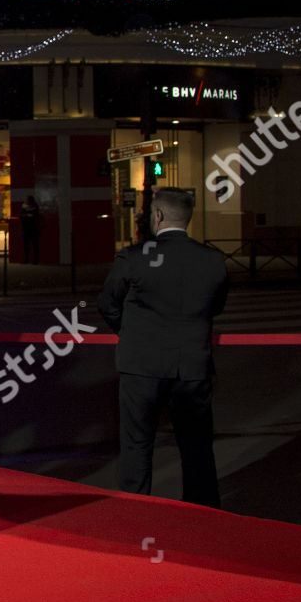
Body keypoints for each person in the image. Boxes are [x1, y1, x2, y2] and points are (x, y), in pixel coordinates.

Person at [97, 188, 228, 508]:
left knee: (137, 444)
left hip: (141, 364)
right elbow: (217, 306)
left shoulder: (135, 256)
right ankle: (202, 512)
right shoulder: (212, 260)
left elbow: (107, 303)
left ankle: (137, 508)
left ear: (157, 216)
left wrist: (129, 332)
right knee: (196, 446)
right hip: (191, 365)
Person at [20, 195, 41, 263]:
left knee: (29, 245)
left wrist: (26, 216)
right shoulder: (34, 207)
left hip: (28, 228)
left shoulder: (24, 207)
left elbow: (21, 215)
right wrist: (29, 216)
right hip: (32, 228)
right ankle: (34, 260)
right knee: (33, 245)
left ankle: (28, 260)